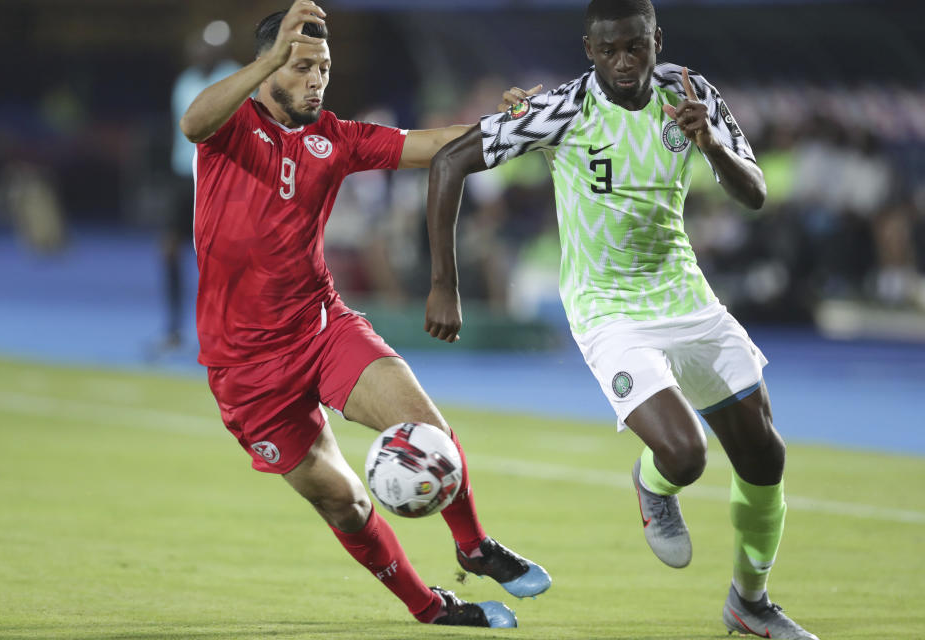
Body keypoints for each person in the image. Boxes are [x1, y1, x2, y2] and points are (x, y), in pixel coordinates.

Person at [423, 1, 819, 638]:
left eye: (636, 46)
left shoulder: (692, 94)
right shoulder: (560, 110)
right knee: (684, 454)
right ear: (589, 48)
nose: (624, 61)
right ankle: (653, 484)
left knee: (765, 456)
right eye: (609, 50)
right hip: (607, 307)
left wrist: (710, 143)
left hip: (683, 294)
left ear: (656, 39)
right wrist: (445, 284)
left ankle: (751, 604)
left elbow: (755, 194)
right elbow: (449, 162)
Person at [180, 2, 550, 629]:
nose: (316, 79)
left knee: (427, 428)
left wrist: (516, 125)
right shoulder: (230, 129)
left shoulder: (336, 138)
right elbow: (192, 122)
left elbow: (433, 146)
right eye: (299, 67)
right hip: (246, 371)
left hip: (319, 327)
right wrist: (269, 59)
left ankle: (474, 545)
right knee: (346, 503)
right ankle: (431, 608)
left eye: (323, 67)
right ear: (267, 68)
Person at [162, 25, 240, 351]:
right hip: (183, 177)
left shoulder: (236, 79)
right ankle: (174, 328)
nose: (201, 52)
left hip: (219, 178)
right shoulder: (184, 82)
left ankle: (228, 332)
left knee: (220, 258)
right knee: (168, 250)